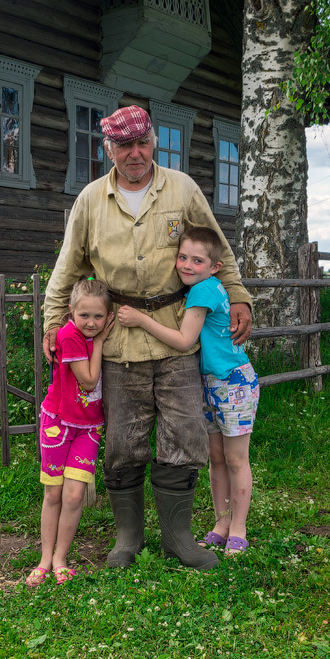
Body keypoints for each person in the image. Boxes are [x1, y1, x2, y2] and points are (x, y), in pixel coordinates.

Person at [42, 105, 253, 571]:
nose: (135, 153)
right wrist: (53, 322)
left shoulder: (182, 189)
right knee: (122, 441)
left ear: (153, 140)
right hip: (118, 342)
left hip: (178, 335)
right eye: (124, 145)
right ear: (109, 149)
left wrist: (237, 295)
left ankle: (179, 539)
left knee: (184, 435)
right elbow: (67, 268)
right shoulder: (91, 201)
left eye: (142, 142)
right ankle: (128, 539)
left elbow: (219, 247)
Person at [116, 226, 259, 557]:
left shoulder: (203, 291)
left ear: (215, 267)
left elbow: (184, 340)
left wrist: (140, 319)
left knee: (236, 459)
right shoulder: (204, 286)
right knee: (217, 459)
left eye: (197, 260)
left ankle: (239, 528)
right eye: (182, 257)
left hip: (232, 383)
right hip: (211, 383)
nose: (186, 265)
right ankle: (222, 524)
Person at [27, 278, 115, 586]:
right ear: (70, 312)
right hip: (58, 424)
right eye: (84, 316)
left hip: (89, 427)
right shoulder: (70, 337)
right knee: (53, 493)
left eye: (98, 317)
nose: (91, 323)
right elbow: (89, 382)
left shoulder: (96, 333)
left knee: (75, 494)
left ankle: (61, 558)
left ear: (108, 315)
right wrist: (101, 341)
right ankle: (44, 559)